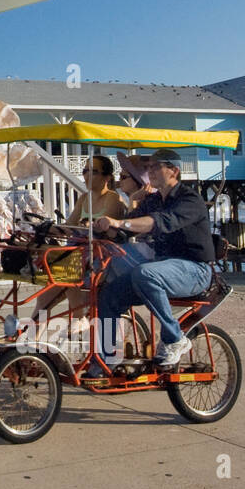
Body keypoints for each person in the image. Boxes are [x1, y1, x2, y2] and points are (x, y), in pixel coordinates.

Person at [91, 148, 215, 374]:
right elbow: (126, 230)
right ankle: (106, 357)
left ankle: (174, 337)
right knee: (108, 293)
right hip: (163, 265)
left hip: (195, 270)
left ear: (174, 171)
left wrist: (120, 224)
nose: (150, 171)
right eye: (148, 168)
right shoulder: (153, 200)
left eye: (156, 167)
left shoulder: (190, 200)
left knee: (145, 273)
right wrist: (103, 228)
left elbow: (160, 222)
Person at [31, 155, 127, 324]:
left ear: (107, 177)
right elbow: (70, 225)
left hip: (99, 257)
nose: (87, 175)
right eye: (85, 171)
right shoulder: (84, 198)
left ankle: (79, 317)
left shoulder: (113, 199)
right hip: (77, 254)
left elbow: (105, 228)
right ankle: (31, 342)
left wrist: (89, 225)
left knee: (65, 271)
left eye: (93, 172)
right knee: (43, 299)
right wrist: (48, 228)